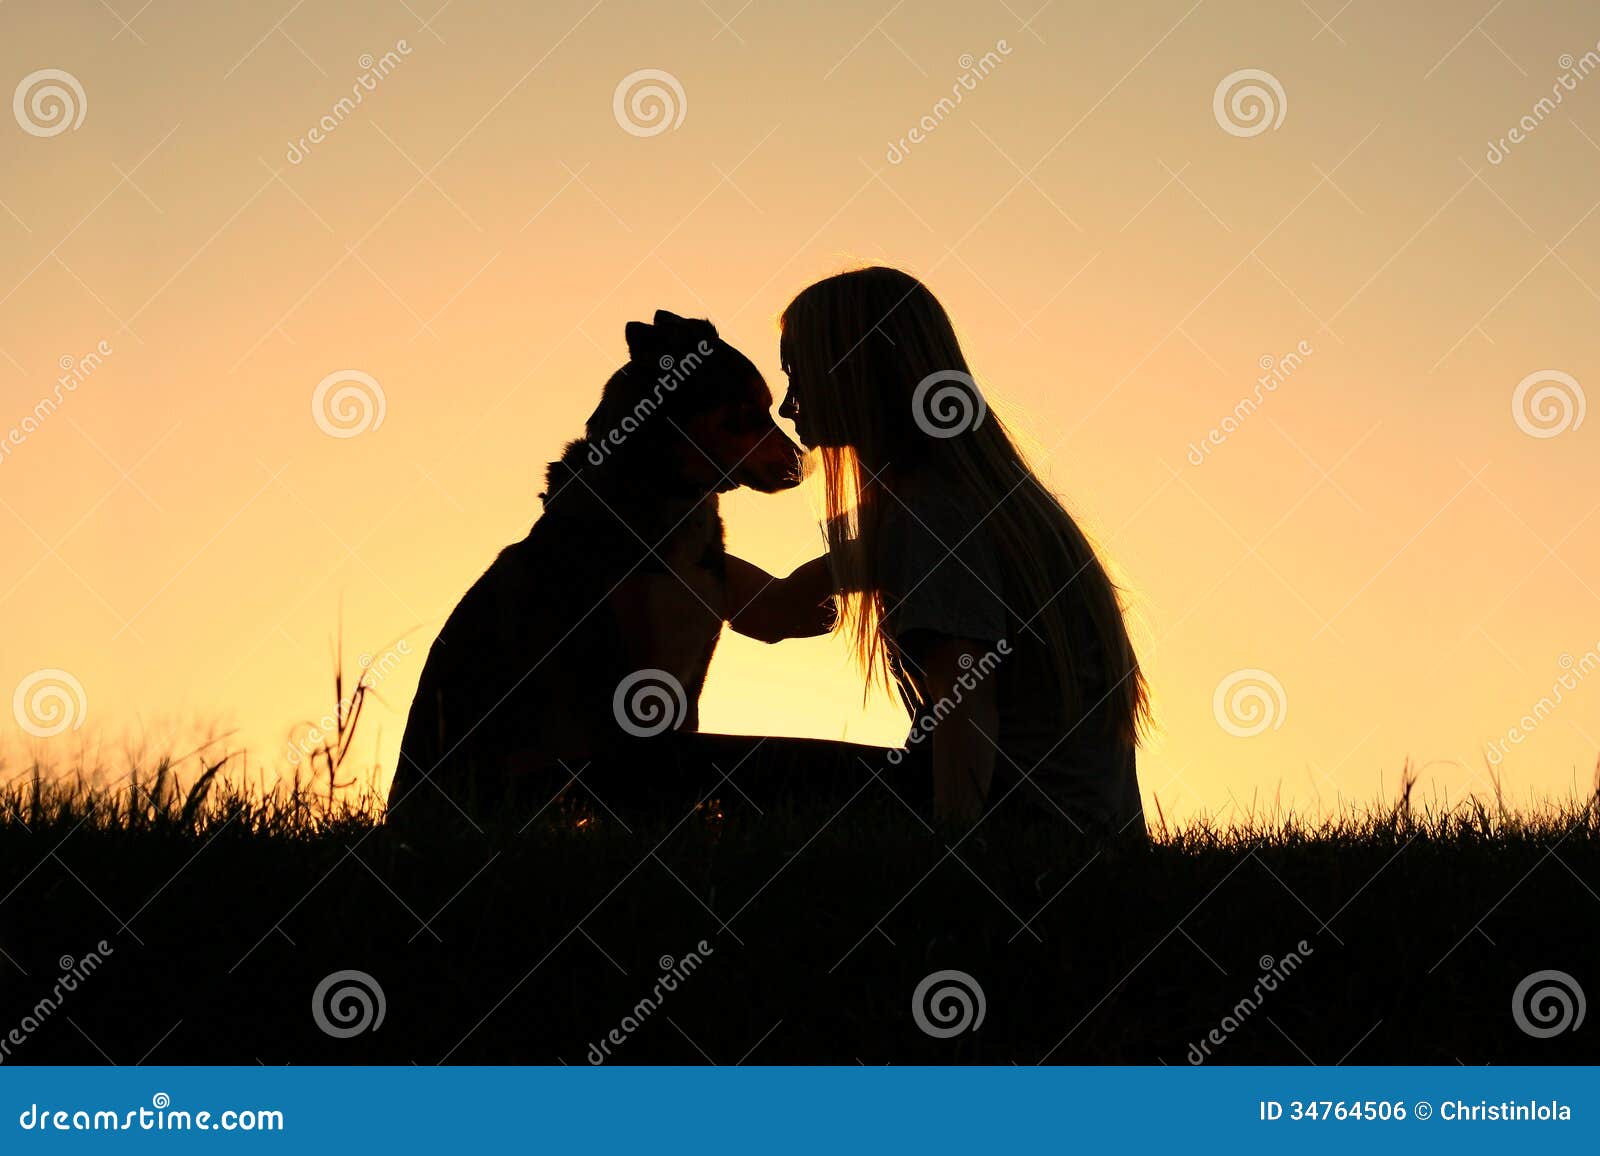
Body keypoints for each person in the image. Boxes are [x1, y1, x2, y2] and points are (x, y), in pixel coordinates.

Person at [725, 266, 1149, 839]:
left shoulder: (932, 511)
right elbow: (775, 611)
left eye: (800, 377)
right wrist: (649, 535)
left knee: (716, 775)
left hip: (1031, 837)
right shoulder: (953, 498)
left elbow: (966, 706)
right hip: (1069, 832)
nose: (789, 405)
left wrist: (951, 860)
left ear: (857, 372)